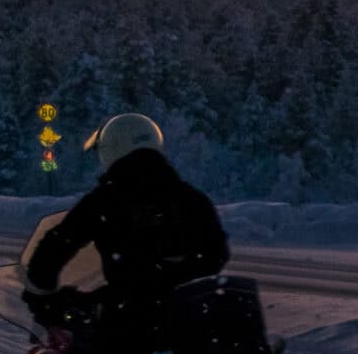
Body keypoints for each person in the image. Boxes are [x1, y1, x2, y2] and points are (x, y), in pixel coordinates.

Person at [23, 112, 228, 338]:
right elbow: (218, 253)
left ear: (111, 149)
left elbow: (56, 244)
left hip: (128, 322)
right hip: (190, 318)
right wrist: (176, 276)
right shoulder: (191, 199)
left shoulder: (106, 200)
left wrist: (40, 298)